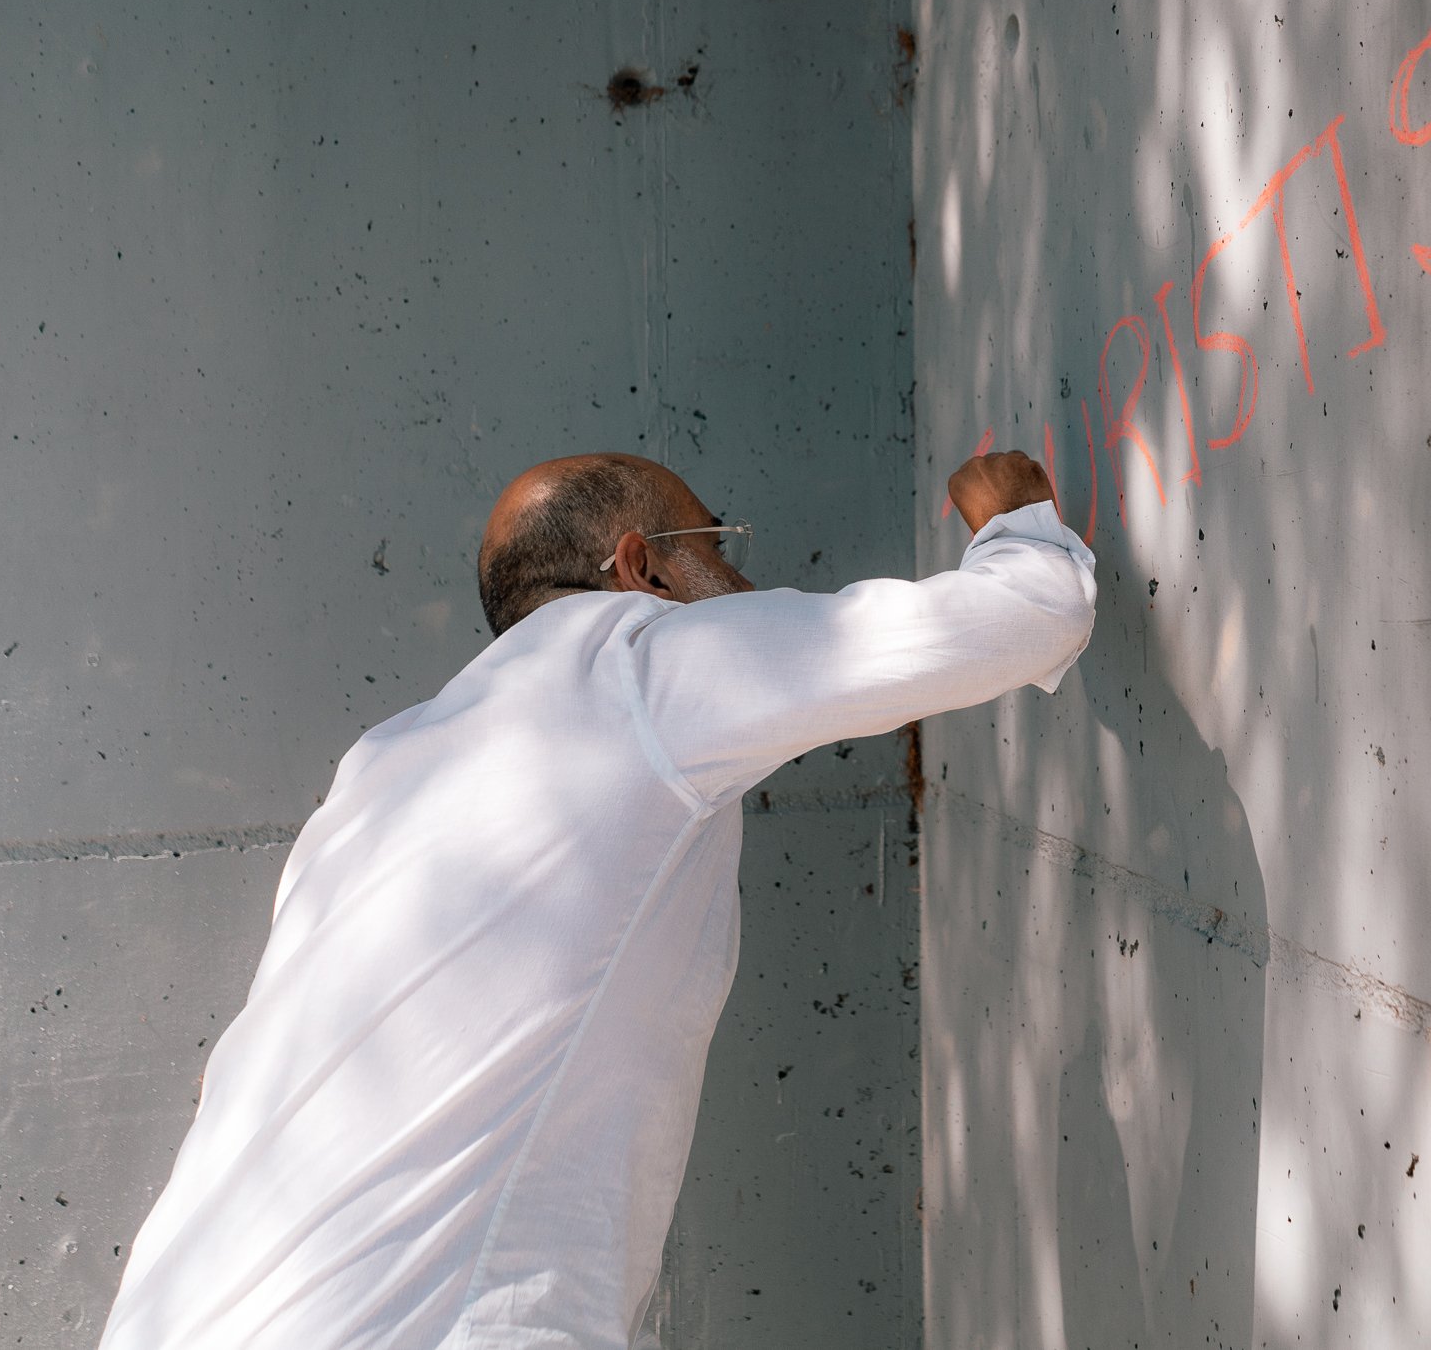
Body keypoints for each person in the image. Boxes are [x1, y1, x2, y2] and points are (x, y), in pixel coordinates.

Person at [95, 448, 1095, 1350]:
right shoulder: (637, 663)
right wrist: (1015, 518)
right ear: (641, 566)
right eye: (716, 544)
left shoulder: (384, 766)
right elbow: (1028, 615)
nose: (742, 580)